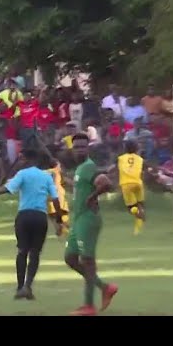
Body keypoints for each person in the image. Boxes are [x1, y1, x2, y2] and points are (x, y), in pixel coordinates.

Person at [0, 148, 63, 300]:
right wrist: (58, 220)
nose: (20, 162)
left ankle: (20, 287)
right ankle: (28, 286)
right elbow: (55, 199)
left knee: (22, 251)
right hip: (40, 217)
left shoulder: (22, 174)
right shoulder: (47, 177)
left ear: (27, 160)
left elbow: (6, 189)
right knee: (35, 253)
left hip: (24, 216)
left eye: (22, 159)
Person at [65, 133, 119, 316]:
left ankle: (89, 306)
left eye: (83, 146)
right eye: (77, 146)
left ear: (88, 149)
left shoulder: (88, 166)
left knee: (87, 262)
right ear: (72, 149)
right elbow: (82, 186)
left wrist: (92, 197)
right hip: (78, 219)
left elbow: (106, 183)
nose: (79, 149)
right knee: (70, 258)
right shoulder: (80, 169)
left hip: (88, 220)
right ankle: (104, 287)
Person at [116, 140, 146, 235]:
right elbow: (144, 168)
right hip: (138, 183)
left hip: (126, 184)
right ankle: (138, 230)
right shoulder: (140, 159)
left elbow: (115, 169)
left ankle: (139, 213)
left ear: (125, 148)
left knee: (131, 208)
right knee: (140, 204)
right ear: (137, 149)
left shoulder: (120, 158)